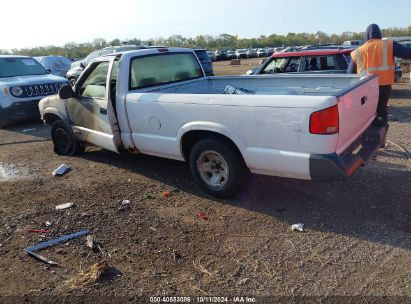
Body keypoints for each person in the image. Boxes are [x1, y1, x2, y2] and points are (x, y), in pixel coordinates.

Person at [347, 24, 411, 143]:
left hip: (364, 89)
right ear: (379, 34)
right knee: (381, 113)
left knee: (366, 115)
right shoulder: (389, 45)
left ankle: (367, 142)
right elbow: (407, 53)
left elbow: (350, 74)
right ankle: (380, 141)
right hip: (384, 87)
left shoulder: (357, 52)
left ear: (366, 35)